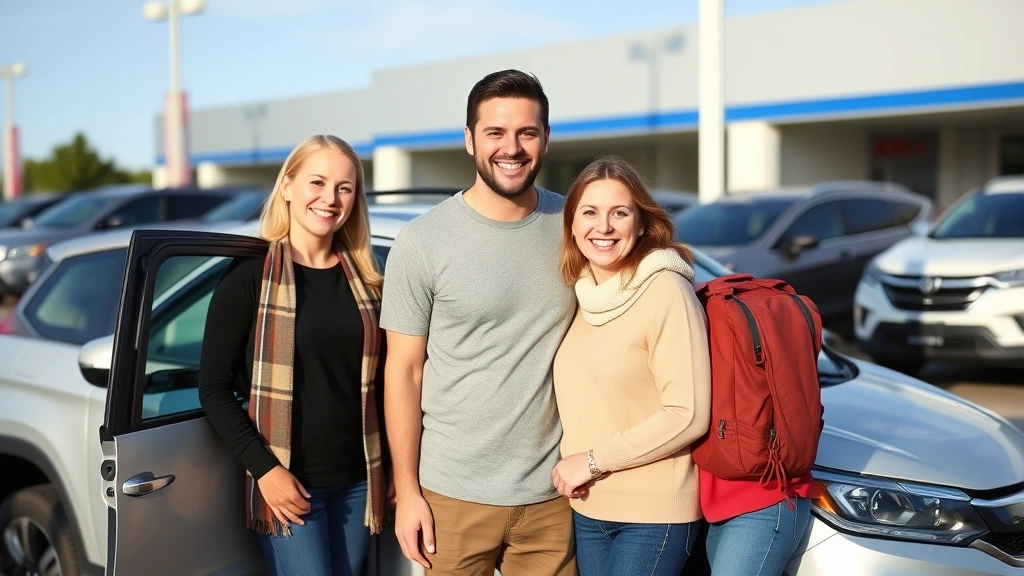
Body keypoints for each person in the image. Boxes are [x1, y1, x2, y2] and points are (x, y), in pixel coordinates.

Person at [380, 69, 577, 575]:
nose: (511, 148)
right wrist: (407, 491)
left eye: (526, 132)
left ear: (546, 139)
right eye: (495, 132)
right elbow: (404, 372)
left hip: (554, 495)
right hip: (452, 495)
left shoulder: (576, 227)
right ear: (469, 140)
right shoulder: (422, 241)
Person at [198, 134, 387, 576]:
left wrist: (393, 472)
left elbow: (384, 384)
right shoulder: (250, 276)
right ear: (287, 186)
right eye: (317, 183)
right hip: (289, 482)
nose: (330, 199)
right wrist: (265, 471)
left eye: (345, 187)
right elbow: (213, 388)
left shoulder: (369, 279)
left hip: (360, 482)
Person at [550, 155, 712, 576]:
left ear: (641, 223)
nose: (602, 227)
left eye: (619, 213)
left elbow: (688, 414)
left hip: (653, 515)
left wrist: (590, 462)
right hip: (589, 507)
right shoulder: (582, 296)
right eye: (589, 212)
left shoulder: (666, 291)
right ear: (571, 223)